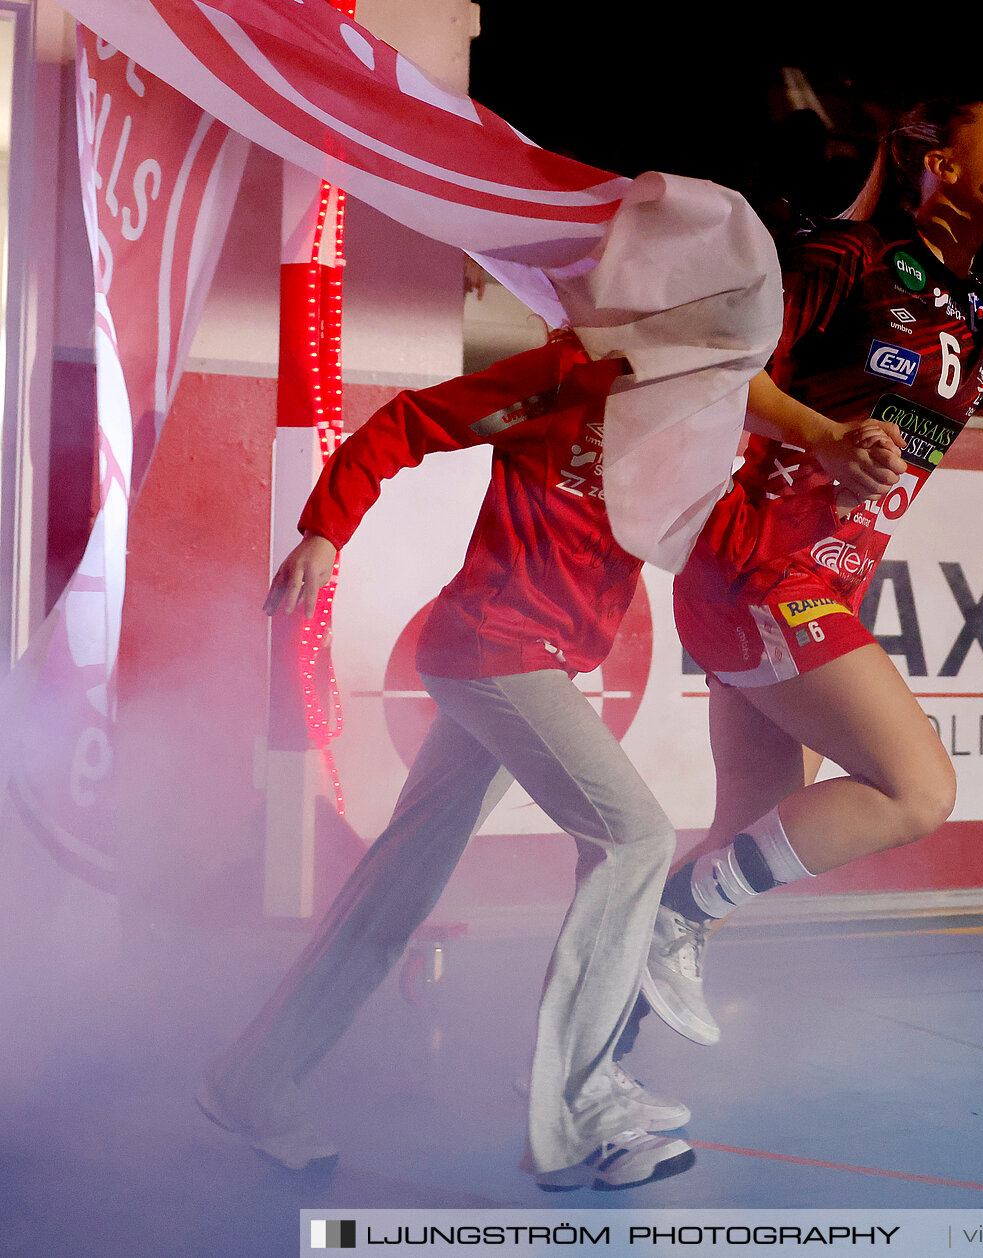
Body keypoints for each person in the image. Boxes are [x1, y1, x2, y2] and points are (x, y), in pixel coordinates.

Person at [197, 330, 900, 1189]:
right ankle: (579, 1110)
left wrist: (837, 473)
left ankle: (251, 1079)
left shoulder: (702, 425)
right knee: (634, 839)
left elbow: (733, 544)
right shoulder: (570, 379)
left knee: (398, 884)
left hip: (527, 660)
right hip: (492, 648)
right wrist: (323, 532)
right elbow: (411, 423)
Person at [641, 101, 983, 1046]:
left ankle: (593, 1038)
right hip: (763, 564)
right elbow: (729, 378)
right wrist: (828, 436)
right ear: (937, 161)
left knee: (755, 826)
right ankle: (669, 919)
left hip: (814, 578)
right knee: (917, 790)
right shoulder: (849, 259)